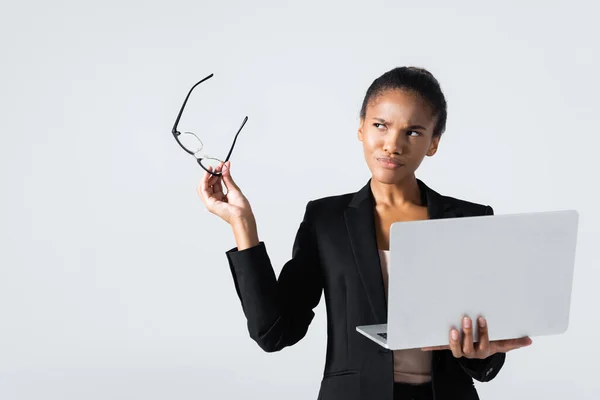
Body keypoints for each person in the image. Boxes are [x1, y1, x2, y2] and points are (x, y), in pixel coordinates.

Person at [197, 66, 532, 400]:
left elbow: (489, 355)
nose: (393, 145)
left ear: (433, 143)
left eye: (413, 132)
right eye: (380, 125)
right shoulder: (326, 220)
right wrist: (243, 224)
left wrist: (479, 352)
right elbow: (275, 332)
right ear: (360, 128)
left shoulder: (470, 219)